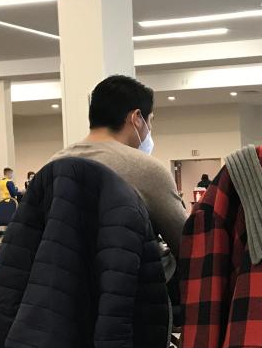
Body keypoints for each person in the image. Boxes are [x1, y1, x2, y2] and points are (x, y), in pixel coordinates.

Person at [52, 75, 187, 260]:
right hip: (130, 283)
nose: (149, 129)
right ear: (137, 118)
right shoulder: (146, 170)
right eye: (151, 120)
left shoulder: (52, 165)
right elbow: (186, 245)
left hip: (58, 282)